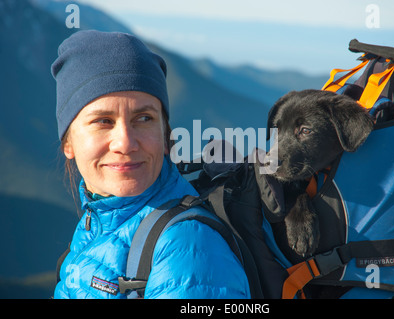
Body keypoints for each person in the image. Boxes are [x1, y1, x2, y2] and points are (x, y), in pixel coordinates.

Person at [51, 30, 251, 299]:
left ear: (165, 137)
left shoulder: (187, 248)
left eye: (143, 118)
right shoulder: (98, 222)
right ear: (69, 143)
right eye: (103, 121)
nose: (125, 142)